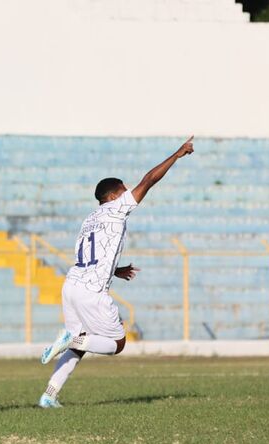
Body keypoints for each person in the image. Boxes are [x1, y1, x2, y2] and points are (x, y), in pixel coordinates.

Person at [37, 136, 195, 408]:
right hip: (91, 292)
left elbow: (90, 256)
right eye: (124, 190)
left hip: (71, 285)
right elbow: (148, 180)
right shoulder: (116, 208)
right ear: (113, 196)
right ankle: (69, 338)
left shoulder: (90, 219)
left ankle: (49, 395)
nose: (128, 193)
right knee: (116, 344)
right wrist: (177, 154)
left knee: (79, 347)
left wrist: (116, 270)